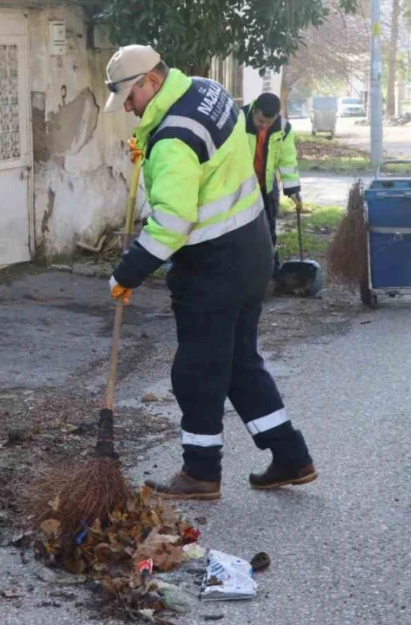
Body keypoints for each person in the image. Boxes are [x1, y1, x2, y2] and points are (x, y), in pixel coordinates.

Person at [103, 45, 317, 500]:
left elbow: (173, 224)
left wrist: (128, 273)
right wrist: (151, 141)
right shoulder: (208, 91)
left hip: (213, 265)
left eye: (128, 95)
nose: (126, 106)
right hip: (254, 247)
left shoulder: (172, 140)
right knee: (240, 362)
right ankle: (290, 456)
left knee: (197, 371)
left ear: (152, 82)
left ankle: (201, 473)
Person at [242, 92, 302, 289]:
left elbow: (287, 160)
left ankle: (271, 275)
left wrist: (293, 190)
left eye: (269, 122)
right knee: (241, 233)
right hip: (239, 189)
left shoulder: (283, 128)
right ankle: (242, 275)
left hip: (266, 187)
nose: (264, 126)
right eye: (260, 121)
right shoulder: (237, 121)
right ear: (254, 110)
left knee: (268, 232)